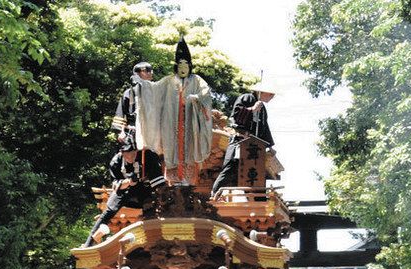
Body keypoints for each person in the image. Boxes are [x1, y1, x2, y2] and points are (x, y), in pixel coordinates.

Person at [136, 38, 213, 186]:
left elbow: (206, 95)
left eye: (186, 65)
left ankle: (189, 183)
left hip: (191, 122)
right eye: (180, 65)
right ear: (176, 67)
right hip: (171, 122)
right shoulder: (168, 81)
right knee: (171, 150)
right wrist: (143, 85)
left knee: (190, 150)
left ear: (190, 66)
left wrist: (197, 98)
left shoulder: (197, 80)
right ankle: (173, 183)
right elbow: (153, 91)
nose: (183, 68)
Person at [84, 139, 153, 247]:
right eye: (127, 155)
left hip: (142, 190)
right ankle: (89, 243)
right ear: (122, 153)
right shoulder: (116, 161)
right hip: (123, 190)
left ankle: (151, 238)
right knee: (108, 212)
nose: (130, 157)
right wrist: (129, 182)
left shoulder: (145, 156)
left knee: (150, 208)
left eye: (133, 154)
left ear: (136, 151)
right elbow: (115, 185)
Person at [211, 86, 275, 195]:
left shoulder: (263, 108)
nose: (272, 96)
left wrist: (270, 146)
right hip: (240, 140)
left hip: (254, 146)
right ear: (261, 91)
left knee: (251, 171)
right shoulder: (246, 98)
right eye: (270, 94)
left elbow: (265, 128)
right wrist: (252, 109)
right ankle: (215, 193)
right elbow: (236, 115)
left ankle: (251, 197)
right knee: (230, 167)